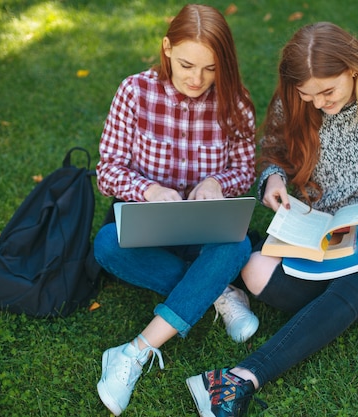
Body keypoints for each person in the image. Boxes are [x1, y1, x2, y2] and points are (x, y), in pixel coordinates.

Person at [186, 22, 358, 416]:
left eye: (328, 92)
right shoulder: (296, 99)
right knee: (256, 272)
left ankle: (241, 377)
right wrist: (272, 177)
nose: (320, 104)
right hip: (316, 225)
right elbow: (272, 148)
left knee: (354, 286)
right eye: (310, 96)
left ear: (354, 69)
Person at [93, 4, 260, 416]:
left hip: (205, 229)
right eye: (187, 64)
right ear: (166, 48)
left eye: (210, 69)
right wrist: (147, 189)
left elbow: (243, 170)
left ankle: (134, 350)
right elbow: (107, 171)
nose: (196, 79)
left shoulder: (236, 103)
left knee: (236, 244)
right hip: (153, 225)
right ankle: (216, 290)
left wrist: (217, 183)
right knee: (107, 245)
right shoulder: (134, 92)